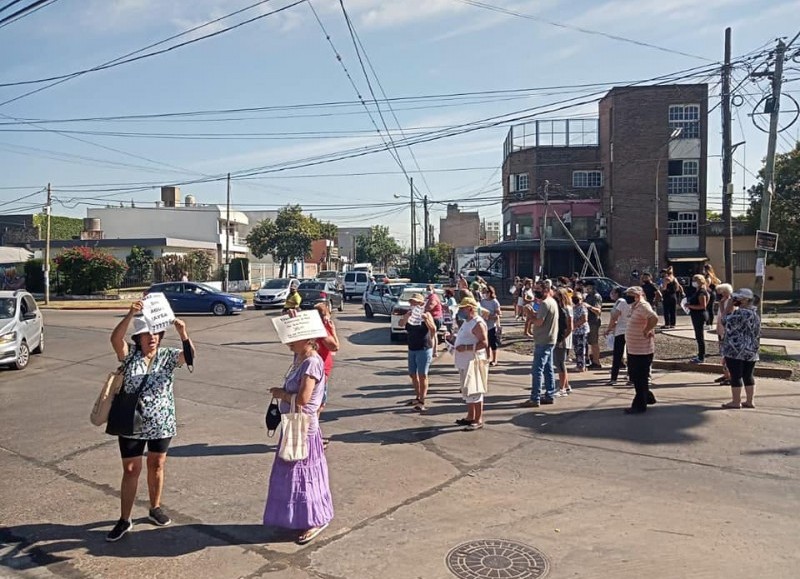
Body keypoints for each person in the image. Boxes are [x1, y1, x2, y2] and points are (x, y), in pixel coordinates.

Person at [106, 301, 195, 542]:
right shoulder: (129, 356)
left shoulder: (167, 357)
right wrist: (129, 314)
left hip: (161, 423)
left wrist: (183, 333)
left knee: (157, 464)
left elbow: (189, 357)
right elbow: (115, 339)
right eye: (146, 334)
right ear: (138, 337)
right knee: (131, 469)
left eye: (156, 333)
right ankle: (124, 519)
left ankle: (155, 507)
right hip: (131, 423)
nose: (152, 338)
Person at [265, 336, 334, 545]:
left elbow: (304, 399)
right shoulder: (301, 358)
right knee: (292, 474)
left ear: (308, 340)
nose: (289, 343)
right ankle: (299, 517)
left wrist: (281, 394)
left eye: (294, 339)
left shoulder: (312, 362)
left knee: (304, 476)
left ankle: (315, 520)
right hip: (293, 425)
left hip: (303, 428)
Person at [520, 283, 559, 407]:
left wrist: (529, 314)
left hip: (543, 340)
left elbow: (539, 322)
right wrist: (533, 313)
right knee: (548, 369)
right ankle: (549, 394)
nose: (536, 292)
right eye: (535, 290)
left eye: (538, 290)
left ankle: (535, 398)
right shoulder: (552, 302)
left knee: (537, 370)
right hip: (550, 339)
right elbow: (542, 318)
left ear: (546, 290)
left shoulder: (545, 303)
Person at [721, 289, 761, 409]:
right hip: (751, 350)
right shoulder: (755, 314)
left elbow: (724, 320)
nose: (735, 300)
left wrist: (728, 305)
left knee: (736, 375)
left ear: (744, 300)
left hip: (735, 350)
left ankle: (736, 401)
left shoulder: (739, 314)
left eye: (737, 298)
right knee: (748, 375)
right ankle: (750, 401)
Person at [453, 297, 488, 430]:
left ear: (470, 308)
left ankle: (478, 419)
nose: (460, 310)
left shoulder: (477, 323)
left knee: (475, 389)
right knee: (467, 390)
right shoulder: (467, 322)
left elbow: (484, 343)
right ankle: (470, 416)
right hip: (464, 362)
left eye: (462, 308)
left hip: (474, 361)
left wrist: (466, 348)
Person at [398, 293, 436, 412]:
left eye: (415, 302)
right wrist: (405, 318)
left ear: (421, 304)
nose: (413, 304)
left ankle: (422, 400)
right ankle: (418, 396)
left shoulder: (426, 314)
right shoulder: (410, 315)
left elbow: (434, 329)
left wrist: (426, 320)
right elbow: (401, 324)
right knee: (412, 374)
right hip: (412, 347)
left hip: (424, 347)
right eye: (411, 302)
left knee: (422, 375)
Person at [623, 286, 658, 414]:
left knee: (639, 378)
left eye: (630, 295)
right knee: (636, 376)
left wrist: (647, 330)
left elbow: (653, 318)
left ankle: (639, 405)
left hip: (642, 350)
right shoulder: (635, 306)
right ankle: (647, 396)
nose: (627, 297)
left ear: (637, 296)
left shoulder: (643, 306)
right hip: (634, 349)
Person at [313, 302, 339, 448]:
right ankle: (313, 439)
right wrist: (332, 329)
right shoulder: (321, 330)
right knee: (317, 406)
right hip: (320, 373)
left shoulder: (313, 328)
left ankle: (314, 437)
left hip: (318, 372)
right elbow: (335, 346)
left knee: (317, 406)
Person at [604, 287, 631, 386]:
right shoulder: (633, 303)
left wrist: (608, 329)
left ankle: (614, 378)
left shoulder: (621, 302)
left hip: (621, 331)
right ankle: (630, 375)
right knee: (630, 354)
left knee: (617, 354)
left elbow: (614, 317)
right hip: (630, 330)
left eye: (612, 292)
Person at [553, 288, 573, 396]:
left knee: (560, 363)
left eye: (557, 296)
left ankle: (562, 388)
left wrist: (562, 339)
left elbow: (570, 327)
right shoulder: (559, 308)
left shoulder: (567, 308)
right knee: (559, 362)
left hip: (563, 339)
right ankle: (566, 385)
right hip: (559, 337)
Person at [686, 274, 709, 363]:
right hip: (695, 315)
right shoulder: (698, 290)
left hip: (699, 315)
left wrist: (690, 306)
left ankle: (701, 356)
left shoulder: (702, 292)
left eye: (695, 280)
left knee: (700, 336)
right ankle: (700, 355)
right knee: (698, 336)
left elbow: (702, 306)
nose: (693, 282)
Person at [714, 283, 734, 385]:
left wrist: (721, 305)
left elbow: (725, 315)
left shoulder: (731, 302)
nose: (719, 295)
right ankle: (726, 374)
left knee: (727, 354)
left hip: (728, 331)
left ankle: (730, 376)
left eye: (720, 293)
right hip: (721, 330)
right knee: (722, 353)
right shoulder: (724, 300)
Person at [480, 285, 502, 366]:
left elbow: (498, 314)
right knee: (486, 343)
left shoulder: (494, 302)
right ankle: (488, 357)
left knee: (493, 343)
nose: (484, 294)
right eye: (483, 292)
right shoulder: (482, 301)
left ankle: (494, 359)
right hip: (484, 325)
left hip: (492, 325)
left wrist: (490, 316)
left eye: (486, 292)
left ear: (490, 293)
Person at [583, 282, 603, 369]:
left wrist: (589, 306)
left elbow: (598, 311)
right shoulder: (588, 296)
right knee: (589, 342)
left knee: (594, 342)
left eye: (587, 287)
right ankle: (591, 359)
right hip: (588, 322)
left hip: (593, 322)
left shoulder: (596, 296)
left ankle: (596, 362)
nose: (586, 289)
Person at [571, 292, 589, 373]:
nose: (575, 299)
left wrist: (574, 325)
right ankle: (579, 364)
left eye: (577, 298)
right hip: (575, 331)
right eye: (574, 297)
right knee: (577, 349)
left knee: (581, 349)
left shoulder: (582, 307)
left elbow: (584, 319)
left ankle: (582, 365)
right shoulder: (574, 307)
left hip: (581, 331)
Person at [424, 284, 444, 355]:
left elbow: (430, 307)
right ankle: (434, 351)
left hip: (435, 318)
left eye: (429, 289)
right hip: (434, 318)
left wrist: (423, 309)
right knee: (434, 334)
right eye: (427, 289)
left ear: (433, 290)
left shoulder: (433, 297)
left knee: (431, 335)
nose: (428, 291)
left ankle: (431, 351)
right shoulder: (429, 297)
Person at [703, 263, 721, 328]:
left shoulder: (707, 276)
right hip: (713, 293)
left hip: (709, 294)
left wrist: (707, 288)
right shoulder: (713, 275)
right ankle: (710, 324)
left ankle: (708, 324)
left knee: (708, 309)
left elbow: (706, 285)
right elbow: (719, 281)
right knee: (710, 309)